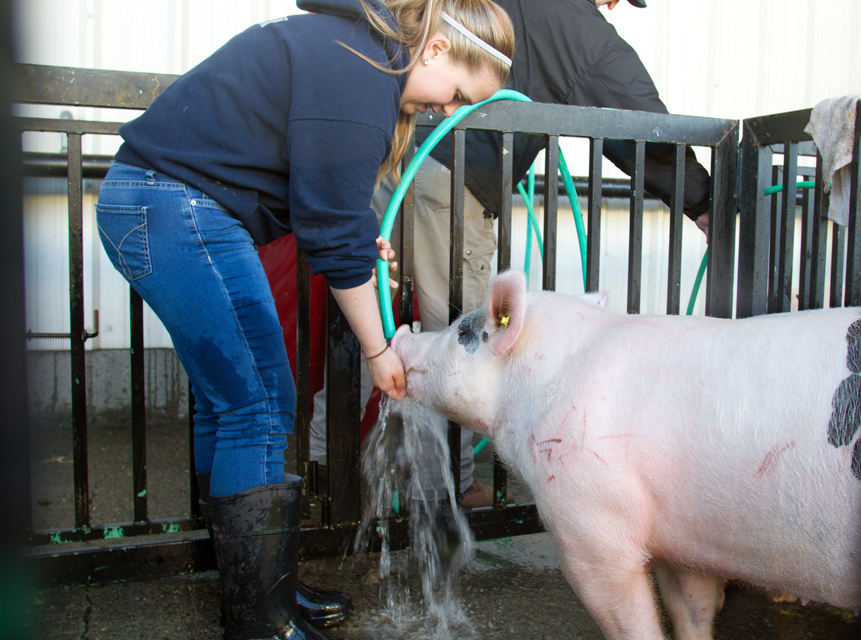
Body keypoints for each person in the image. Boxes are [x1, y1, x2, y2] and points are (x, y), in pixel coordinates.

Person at [94, 0, 515, 638]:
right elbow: (331, 227)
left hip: (162, 203)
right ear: (433, 50)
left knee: (232, 402)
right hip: (172, 208)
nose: (447, 111)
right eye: (456, 93)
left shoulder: (351, 51)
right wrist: (381, 356)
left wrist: (352, 236)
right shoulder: (363, 69)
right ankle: (261, 622)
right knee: (261, 402)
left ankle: (259, 593)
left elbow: (319, 205)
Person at [310, 0, 712, 510]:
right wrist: (702, 201)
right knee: (461, 339)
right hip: (452, 177)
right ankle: (448, 491)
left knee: (364, 322)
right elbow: (637, 121)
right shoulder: (576, 24)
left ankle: (325, 469)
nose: (613, 4)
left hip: (388, 157)